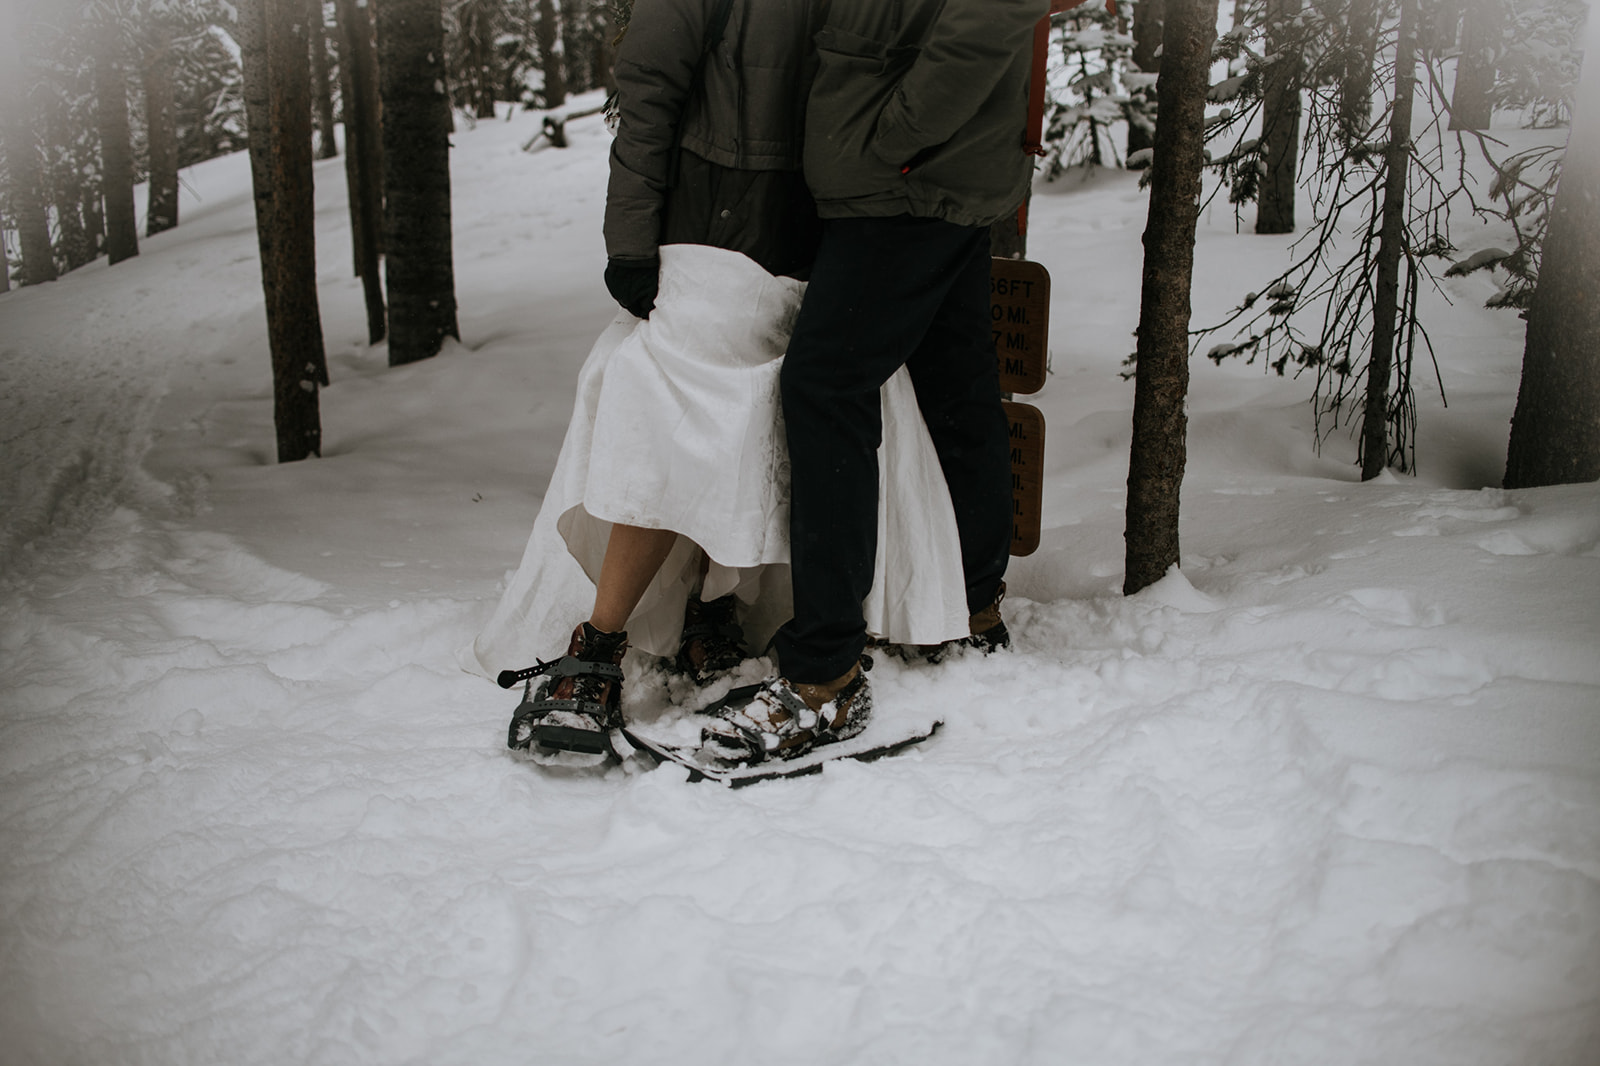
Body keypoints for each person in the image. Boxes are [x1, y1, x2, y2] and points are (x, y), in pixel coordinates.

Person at [473, 0, 973, 760]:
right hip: (720, 200)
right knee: (677, 401)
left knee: (771, 414)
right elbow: (649, 89)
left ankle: (709, 609)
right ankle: (599, 642)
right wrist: (632, 237)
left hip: (831, 210)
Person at [702, 0, 1048, 763]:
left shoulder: (900, 155)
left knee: (824, 386)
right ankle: (972, 602)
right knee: (953, 386)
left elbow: (989, 18)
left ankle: (825, 675)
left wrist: (892, 140)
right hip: (920, 175)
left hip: (907, 183)